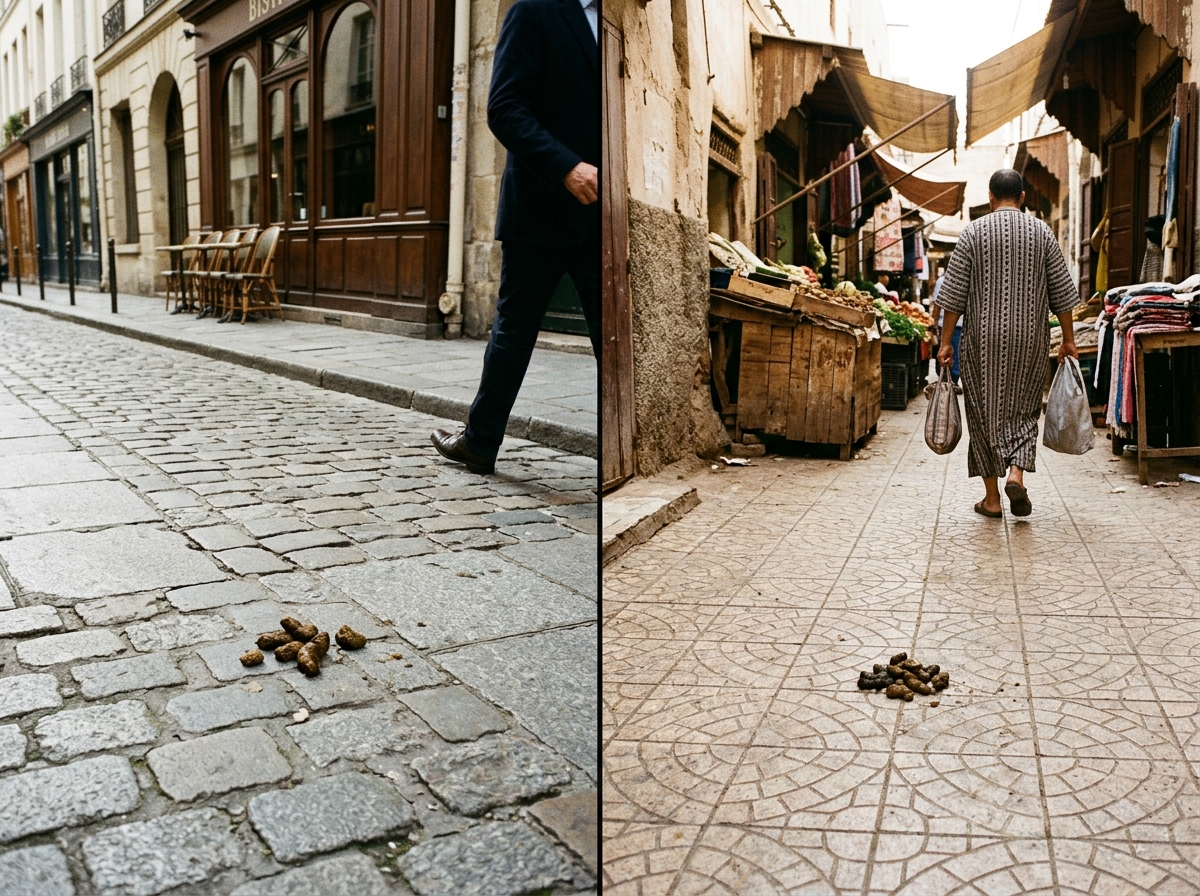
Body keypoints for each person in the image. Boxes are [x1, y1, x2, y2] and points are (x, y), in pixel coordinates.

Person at [431, 0, 600, 474]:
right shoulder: (534, 9)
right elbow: (504, 108)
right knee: (514, 330)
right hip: (541, 211)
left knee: (612, 334)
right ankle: (480, 443)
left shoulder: (612, 23)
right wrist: (565, 166)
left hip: (601, 218)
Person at [935, 168, 1078, 518]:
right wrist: (1069, 341)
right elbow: (1062, 295)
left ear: (990, 196)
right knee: (1025, 409)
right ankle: (1016, 473)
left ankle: (992, 499)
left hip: (981, 340)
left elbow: (952, 296)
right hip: (1030, 338)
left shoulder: (973, 233)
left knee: (983, 414)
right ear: (1024, 197)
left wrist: (944, 342)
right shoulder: (1042, 232)